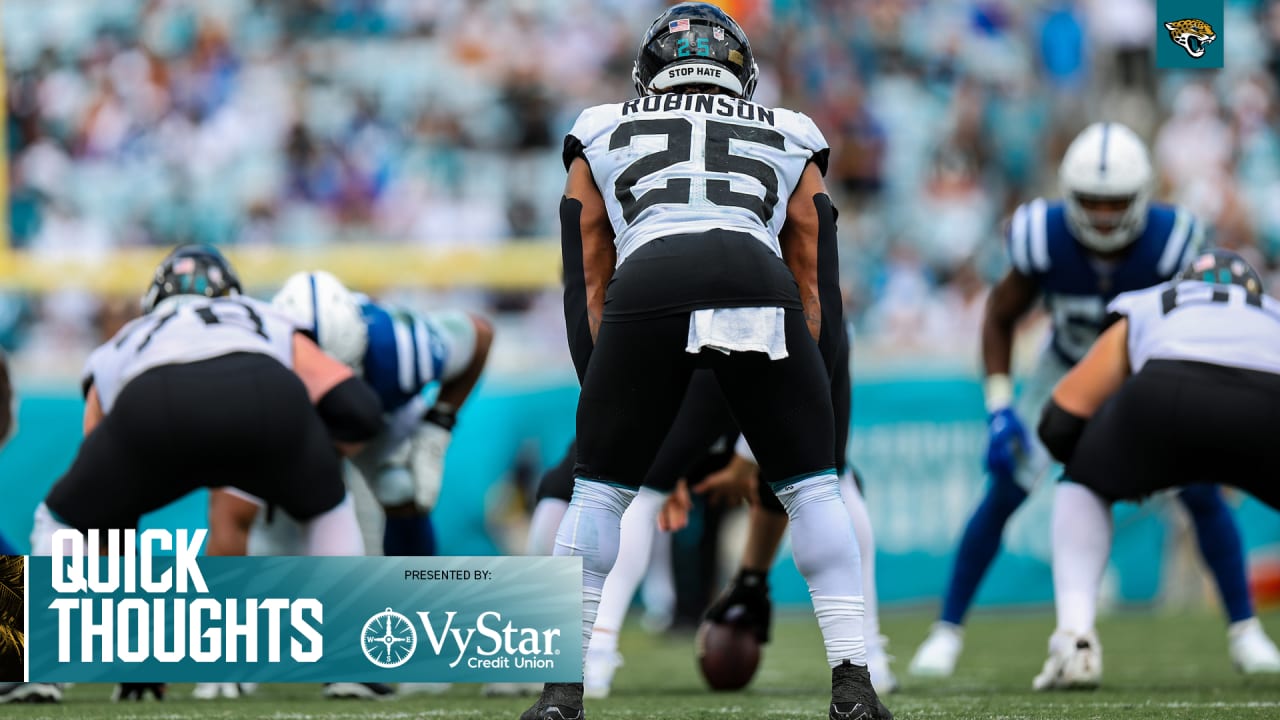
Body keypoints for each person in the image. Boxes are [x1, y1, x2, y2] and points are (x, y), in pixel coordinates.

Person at [523, 4, 890, 719]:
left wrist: (608, 394)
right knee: (816, 489)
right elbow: (814, 268)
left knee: (597, 494)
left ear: (648, 73)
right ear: (741, 76)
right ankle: (854, 682)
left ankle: (564, 691)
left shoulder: (599, 126)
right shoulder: (791, 130)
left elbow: (589, 267)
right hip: (758, 279)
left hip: (650, 279)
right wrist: (804, 387)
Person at [908, 122, 1280, 678]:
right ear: (1069, 195)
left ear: (1142, 196)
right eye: (1092, 203)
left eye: (1116, 204)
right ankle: (947, 631)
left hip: (1145, 371)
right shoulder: (1043, 236)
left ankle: (1246, 631)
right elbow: (1000, 315)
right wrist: (1000, 405)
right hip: (1068, 368)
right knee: (1007, 484)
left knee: (1199, 491)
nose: (1104, 217)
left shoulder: (1173, 240)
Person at [14, 245, 382, 705]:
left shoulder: (128, 338)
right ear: (231, 293)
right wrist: (319, 456)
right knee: (330, 506)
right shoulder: (261, 317)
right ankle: (353, 663)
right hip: (266, 396)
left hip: (155, 400)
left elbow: (106, 509)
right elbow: (357, 408)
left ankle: (33, 664)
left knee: (61, 521)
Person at [199, 269, 493, 701]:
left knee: (402, 489)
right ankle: (238, 655)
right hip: (288, 423)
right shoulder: (258, 361)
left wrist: (439, 422)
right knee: (263, 521)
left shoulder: (399, 345)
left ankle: (419, 644)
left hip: (381, 416)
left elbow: (480, 336)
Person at [1033, 249, 1280, 688]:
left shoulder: (1151, 303)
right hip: (1270, 399)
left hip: (1167, 390)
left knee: (1079, 483)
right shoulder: (1272, 314)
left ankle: (1076, 639)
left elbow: (1060, 418)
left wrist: (1105, 466)